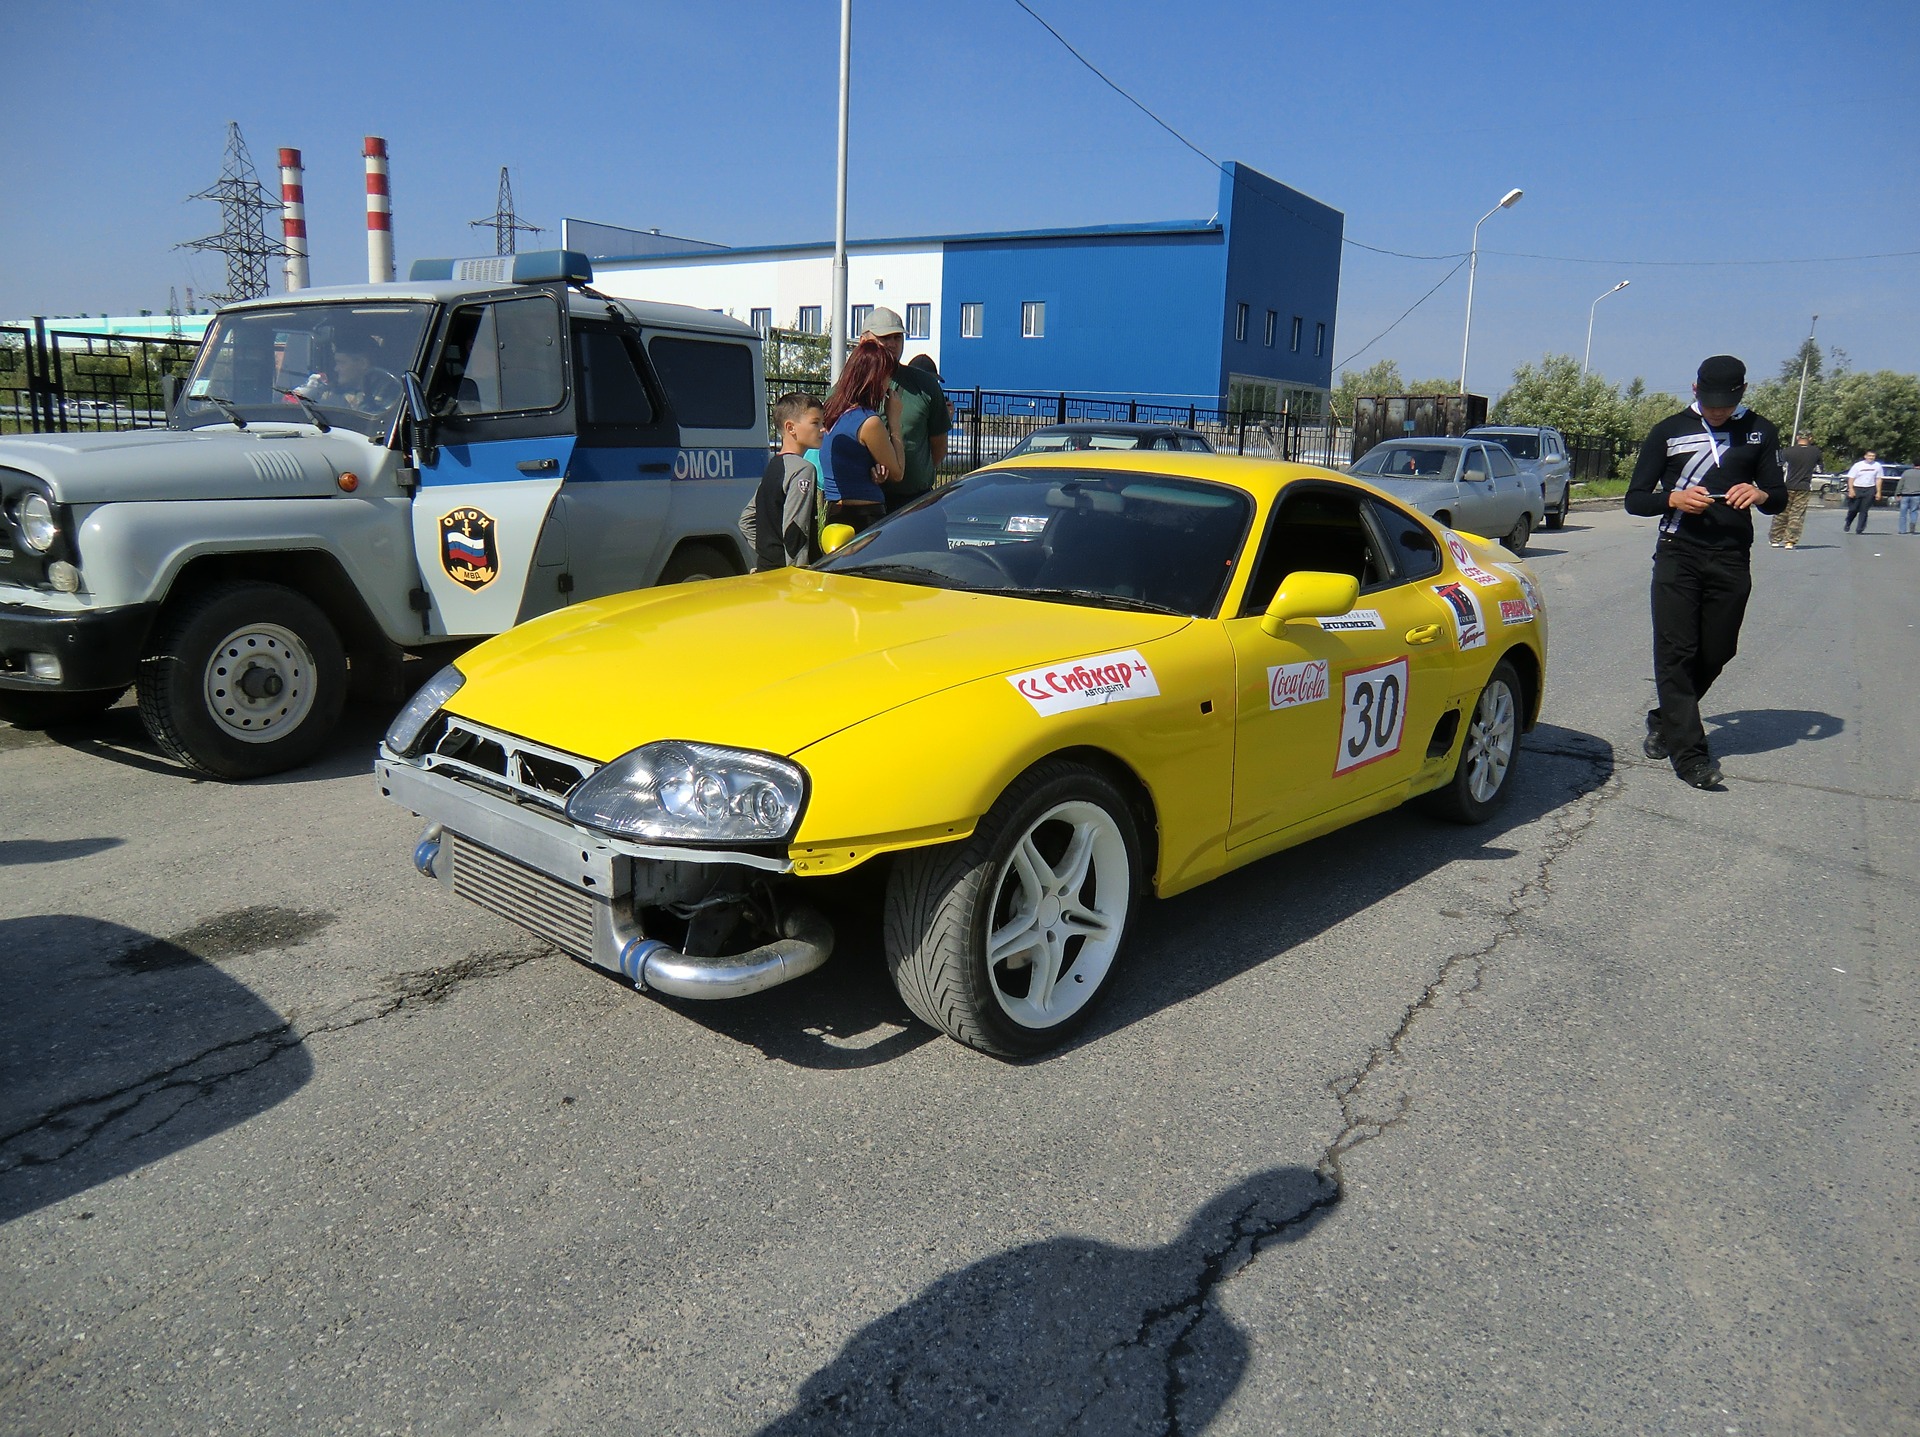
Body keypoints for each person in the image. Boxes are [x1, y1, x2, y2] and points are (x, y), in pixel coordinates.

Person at [1624, 355, 1786, 790]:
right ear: (1694, 389)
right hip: (1679, 553)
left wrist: (1759, 491)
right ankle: (1691, 756)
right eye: (1709, 401)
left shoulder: (1759, 430)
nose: (1717, 411)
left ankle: (1665, 719)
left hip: (1732, 555)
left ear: (1741, 394)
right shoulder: (1668, 431)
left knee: (1717, 651)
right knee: (1675, 652)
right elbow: (1636, 499)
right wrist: (1673, 500)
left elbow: (1779, 499)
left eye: (1725, 404)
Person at [857, 307, 951, 512]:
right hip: (864, 504)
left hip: (916, 503)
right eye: (884, 337)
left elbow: (939, 446)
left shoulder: (925, 386)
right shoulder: (848, 389)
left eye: (897, 337)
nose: (891, 343)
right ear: (864, 342)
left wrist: (910, 474)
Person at [817, 337, 904, 533]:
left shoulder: (833, 412)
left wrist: (875, 471)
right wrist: (895, 421)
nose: (888, 385)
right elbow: (898, 472)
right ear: (874, 378)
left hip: (834, 512)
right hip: (864, 515)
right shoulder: (868, 421)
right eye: (886, 377)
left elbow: (848, 461)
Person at [740, 393, 827, 571]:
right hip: (789, 577)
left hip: (766, 569)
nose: (823, 429)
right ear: (791, 428)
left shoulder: (774, 465)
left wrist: (769, 552)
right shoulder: (803, 469)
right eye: (815, 422)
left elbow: (746, 519)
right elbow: (795, 528)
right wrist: (799, 574)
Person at [298, 332, 401, 415]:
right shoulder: (334, 392)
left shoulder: (390, 393)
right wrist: (305, 397)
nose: (336, 369)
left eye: (341, 362)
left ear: (363, 363)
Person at [1768, 432, 1822, 548]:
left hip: (1787, 485)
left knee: (1781, 512)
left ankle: (1775, 539)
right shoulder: (1815, 452)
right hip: (1804, 487)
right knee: (1797, 514)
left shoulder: (1787, 451)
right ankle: (1790, 541)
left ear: (1798, 438)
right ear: (1810, 438)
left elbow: (1778, 466)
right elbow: (1819, 469)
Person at [1842, 451, 1885, 534]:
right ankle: (1848, 522)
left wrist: (1878, 492)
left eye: (1873, 456)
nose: (1871, 457)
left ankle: (1860, 528)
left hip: (1870, 489)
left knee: (1864, 510)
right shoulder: (1858, 465)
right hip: (1857, 488)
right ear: (1865, 456)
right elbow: (1851, 478)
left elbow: (1879, 479)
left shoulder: (1877, 466)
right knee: (1853, 509)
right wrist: (1851, 489)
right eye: (1869, 456)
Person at [1898, 458, 1920, 536]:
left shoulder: (1906, 472)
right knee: (1913, 511)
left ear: (1913, 464)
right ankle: (1912, 527)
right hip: (1917, 495)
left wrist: (1898, 493)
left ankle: (1902, 530)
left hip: (1905, 495)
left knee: (1903, 513)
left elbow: (1901, 483)